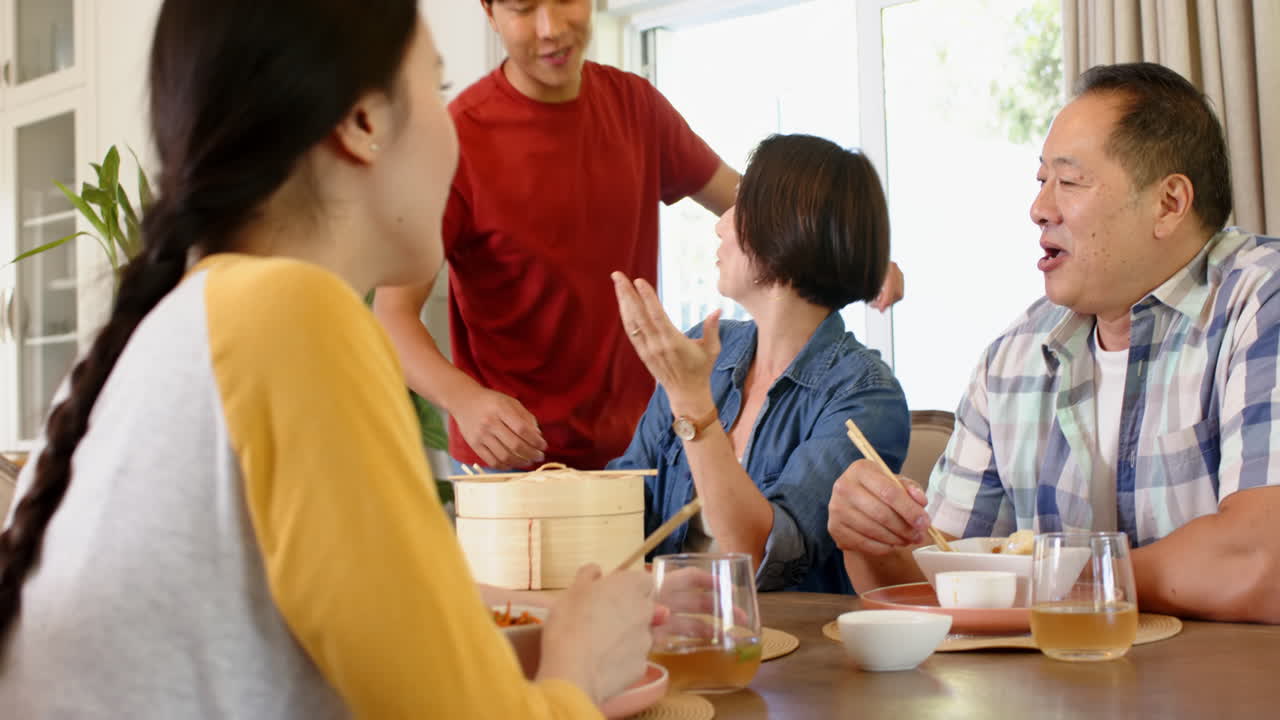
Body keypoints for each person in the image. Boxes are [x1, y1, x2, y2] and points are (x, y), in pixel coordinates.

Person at [0, 2, 657, 716]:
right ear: (363, 124)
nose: (457, 134)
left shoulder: (174, 332)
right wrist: (579, 667)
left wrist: (550, 627)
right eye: (436, 90)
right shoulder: (291, 315)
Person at [828, 62, 1280, 624]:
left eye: (1068, 182)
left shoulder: (1261, 302)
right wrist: (872, 537)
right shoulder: (1013, 358)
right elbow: (938, 582)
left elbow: (1263, 562)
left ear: (1169, 203)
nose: (1039, 208)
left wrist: (1051, 583)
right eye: (1041, 181)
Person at [373, 0, 904, 472]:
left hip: (636, 452)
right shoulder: (454, 141)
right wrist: (465, 400)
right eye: (523, 8)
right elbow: (392, 314)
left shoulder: (635, 106)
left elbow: (755, 205)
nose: (551, 27)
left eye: (565, 0)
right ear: (488, 12)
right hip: (513, 459)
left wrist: (849, 243)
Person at [608, 134, 910, 594]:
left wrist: (692, 403)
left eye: (741, 205)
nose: (720, 225)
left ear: (789, 228)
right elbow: (624, 505)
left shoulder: (866, 393)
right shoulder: (706, 349)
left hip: (785, 651)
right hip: (670, 636)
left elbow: (759, 558)